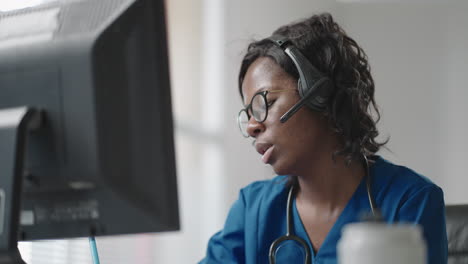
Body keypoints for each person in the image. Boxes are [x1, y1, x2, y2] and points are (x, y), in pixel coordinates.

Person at [199, 13, 447, 264]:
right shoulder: (252, 209)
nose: (252, 126)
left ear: (319, 94)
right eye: (249, 114)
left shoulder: (410, 201)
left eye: (266, 102)